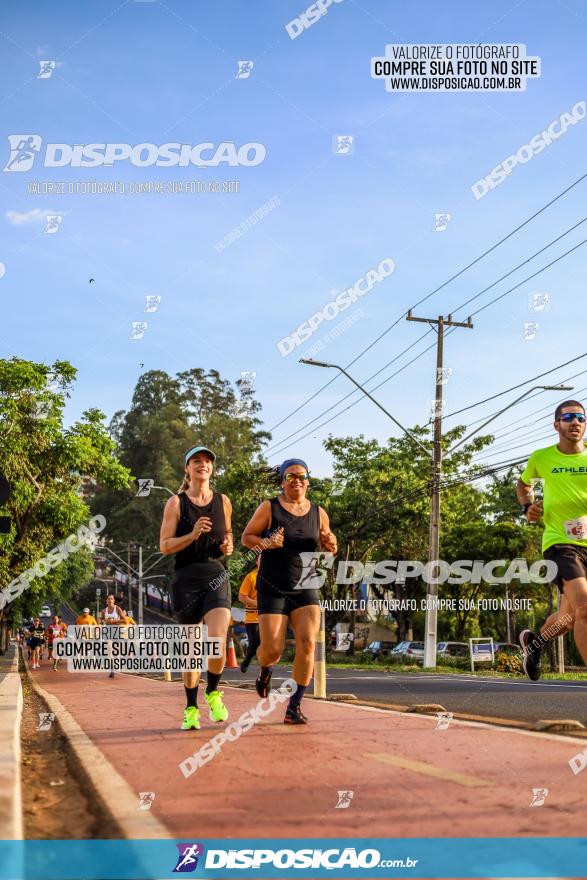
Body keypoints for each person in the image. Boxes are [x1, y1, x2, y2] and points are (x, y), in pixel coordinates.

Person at [241, 458, 337, 724]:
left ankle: (293, 707)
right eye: (290, 476)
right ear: (282, 481)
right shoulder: (269, 508)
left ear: (308, 480)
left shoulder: (319, 512)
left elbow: (329, 544)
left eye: (301, 476)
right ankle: (265, 670)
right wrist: (267, 542)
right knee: (272, 649)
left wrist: (331, 543)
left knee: (307, 644)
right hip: (272, 584)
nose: (296, 480)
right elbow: (247, 538)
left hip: (307, 582)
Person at [160, 445, 234, 731]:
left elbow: (227, 535)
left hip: (216, 574)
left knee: (217, 637)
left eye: (207, 461)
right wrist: (191, 535)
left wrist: (228, 545)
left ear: (211, 468)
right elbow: (165, 546)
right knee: (190, 651)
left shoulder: (223, 501)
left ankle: (213, 691)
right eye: (196, 461)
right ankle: (191, 707)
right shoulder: (176, 504)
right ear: (187, 469)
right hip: (186, 579)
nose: (203, 464)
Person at [516, 400, 587, 680]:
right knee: (585, 607)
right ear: (556, 424)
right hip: (560, 543)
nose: (575, 422)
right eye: (568, 417)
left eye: (581, 418)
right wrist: (527, 506)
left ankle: (534, 645)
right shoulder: (542, 458)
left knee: (568, 619)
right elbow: (523, 485)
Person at [238, 556, 261, 673]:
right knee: (255, 643)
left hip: (270, 617)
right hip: (253, 618)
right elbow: (241, 597)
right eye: (262, 558)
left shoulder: (275, 576)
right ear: (257, 562)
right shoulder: (251, 577)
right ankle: (247, 660)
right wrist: (257, 604)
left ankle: (265, 670)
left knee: (268, 644)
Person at [100, 593, 126, 678]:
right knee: (109, 648)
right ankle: (112, 669)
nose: (110, 600)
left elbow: (124, 620)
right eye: (109, 599)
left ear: (114, 601)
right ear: (106, 601)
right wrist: (103, 621)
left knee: (116, 651)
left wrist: (114, 621)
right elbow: (101, 620)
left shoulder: (117, 609)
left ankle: (116, 663)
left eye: (111, 599)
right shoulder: (104, 611)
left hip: (116, 630)